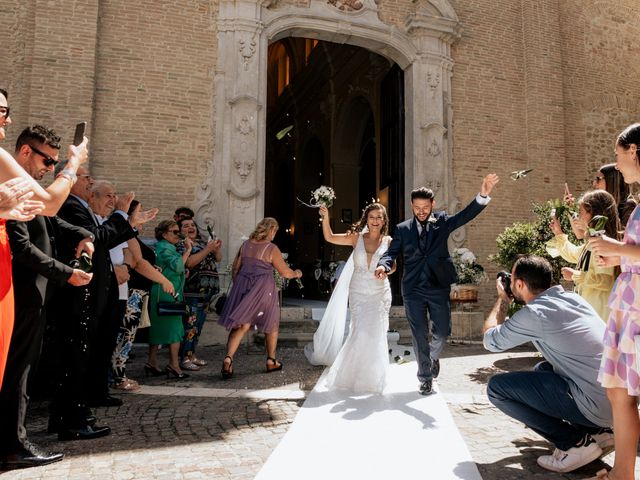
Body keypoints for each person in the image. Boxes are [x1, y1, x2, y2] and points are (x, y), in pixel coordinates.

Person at [0, 125, 95, 470]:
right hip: (19, 291)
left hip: (32, 292)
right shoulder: (13, 188)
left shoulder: (28, 189)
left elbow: (50, 227)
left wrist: (82, 233)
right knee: (17, 370)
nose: (50, 168)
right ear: (25, 152)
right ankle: (13, 443)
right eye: (47, 160)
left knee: (23, 367)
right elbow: (24, 248)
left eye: (56, 162)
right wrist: (66, 273)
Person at [483, 255, 613, 474]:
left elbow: (490, 341)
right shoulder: (573, 298)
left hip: (595, 404)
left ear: (520, 284)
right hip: (615, 401)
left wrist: (503, 299)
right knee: (543, 369)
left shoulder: (535, 313)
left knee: (496, 389)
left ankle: (574, 444)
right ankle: (599, 431)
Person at [375, 173, 499, 395]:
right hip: (412, 289)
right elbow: (391, 253)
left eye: (425, 207)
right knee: (419, 333)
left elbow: (464, 216)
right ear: (411, 206)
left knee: (442, 331)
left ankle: (432, 357)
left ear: (432, 204)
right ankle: (425, 377)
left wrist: (483, 194)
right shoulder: (403, 229)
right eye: (417, 208)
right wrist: (383, 266)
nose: (421, 212)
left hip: (438, 286)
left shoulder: (441, 221)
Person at [0, 89, 88, 391]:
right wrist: (72, 165)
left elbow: (49, 215)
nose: (8, 119)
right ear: (26, 152)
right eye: (2, 111)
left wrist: (82, 234)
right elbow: (50, 204)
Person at [47, 165, 143, 440]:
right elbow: (97, 238)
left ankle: (68, 415)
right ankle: (72, 418)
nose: (88, 181)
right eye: (84, 177)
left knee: (79, 356)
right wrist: (122, 214)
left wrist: (128, 221)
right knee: (75, 358)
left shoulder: (79, 207)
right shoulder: (70, 207)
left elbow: (103, 236)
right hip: (78, 295)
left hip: (89, 295)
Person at [588, 123, 640, 480]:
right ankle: (622, 474)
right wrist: (617, 257)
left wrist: (618, 249)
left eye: (619, 155)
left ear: (635, 151)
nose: (617, 164)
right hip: (628, 304)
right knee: (618, 390)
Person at [311, 203, 394, 394]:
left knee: (376, 333)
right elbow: (329, 237)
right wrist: (325, 217)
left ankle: (373, 378)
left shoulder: (388, 241)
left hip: (380, 292)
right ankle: (352, 375)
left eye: (379, 217)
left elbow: (394, 264)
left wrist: (386, 270)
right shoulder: (355, 238)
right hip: (358, 291)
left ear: (384, 221)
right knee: (361, 331)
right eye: (372, 217)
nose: (375, 221)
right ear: (367, 218)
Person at [218, 217, 302, 379]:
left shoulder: (245, 245)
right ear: (271, 230)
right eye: (275, 231)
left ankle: (228, 359)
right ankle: (271, 361)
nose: (274, 235)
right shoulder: (271, 248)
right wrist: (297, 273)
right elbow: (285, 272)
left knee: (241, 324)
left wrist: (240, 285)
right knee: (271, 322)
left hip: (243, 286)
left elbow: (236, 268)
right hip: (264, 289)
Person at [110, 200, 173, 390]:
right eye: (139, 212)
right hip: (130, 293)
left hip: (136, 292)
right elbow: (138, 262)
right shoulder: (125, 233)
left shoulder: (131, 234)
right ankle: (117, 377)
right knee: (124, 336)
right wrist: (163, 280)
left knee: (126, 336)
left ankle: (118, 375)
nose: (143, 215)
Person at [546, 189, 620, 321]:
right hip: (590, 311)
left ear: (592, 213)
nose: (578, 217)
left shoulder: (603, 243)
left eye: (580, 213)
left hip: (600, 314)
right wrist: (558, 232)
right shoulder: (592, 242)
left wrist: (575, 275)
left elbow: (605, 281)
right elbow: (573, 253)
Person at [146, 220, 191, 379]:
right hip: (167, 292)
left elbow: (174, 268)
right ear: (164, 234)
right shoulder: (165, 247)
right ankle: (174, 364)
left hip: (162, 291)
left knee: (157, 328)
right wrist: (187, 251)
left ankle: (151, 362)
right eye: (174, 232)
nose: (178, 235)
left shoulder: (164, 247)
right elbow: (178, 267)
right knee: (175, 329)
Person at [177, 217, 222, 371]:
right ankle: (184, 358)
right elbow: (189, 263)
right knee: (190, 326)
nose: (191, 227)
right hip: (192, 291)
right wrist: (208, 249)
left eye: (192, 225)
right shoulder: (182, 244)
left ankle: (192, 355)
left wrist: (215, 248)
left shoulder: (202, 243)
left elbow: (218, 259)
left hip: (206, 293)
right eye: (185, 226)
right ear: (180, 230)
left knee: (198, 326)